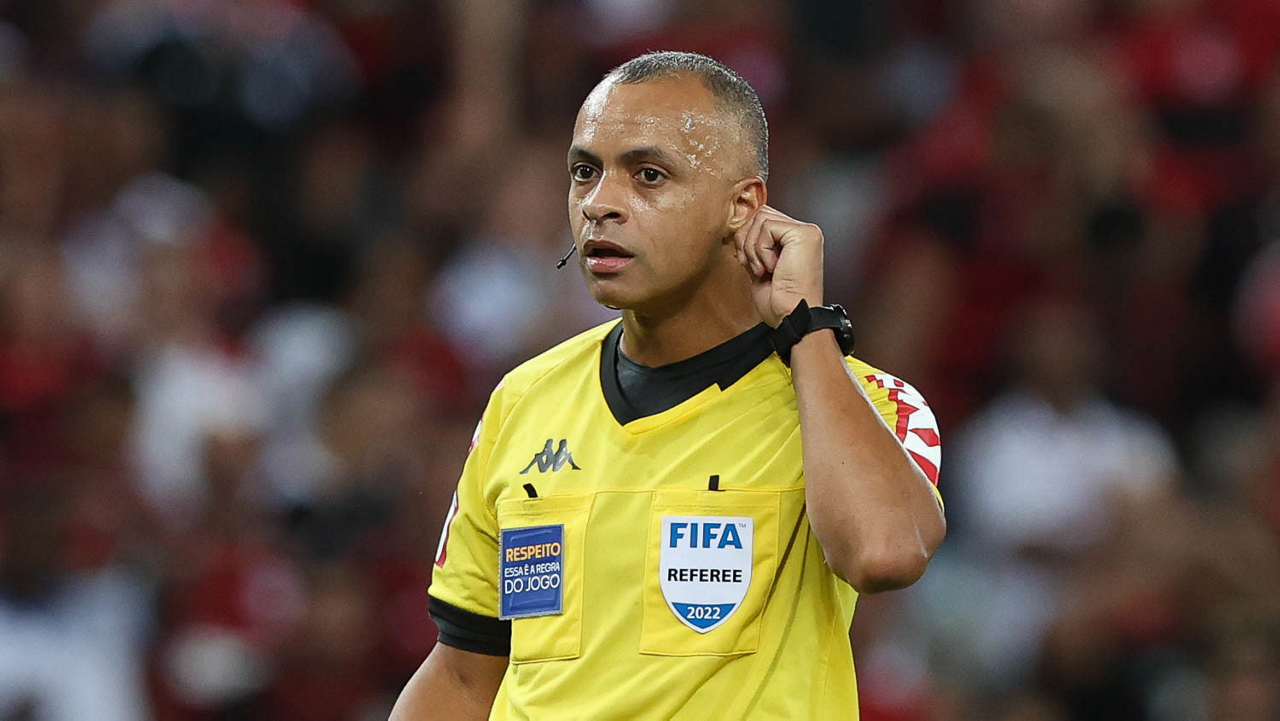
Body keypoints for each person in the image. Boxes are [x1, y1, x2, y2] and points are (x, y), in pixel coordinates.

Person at [391, 51, 946, 720]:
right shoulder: (523, 400)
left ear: (742, 207)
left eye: (648, 175)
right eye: (585, 172)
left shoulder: (865, 402)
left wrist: (806, 327)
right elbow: (462, 674)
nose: (599, 204)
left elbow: (885, 554)